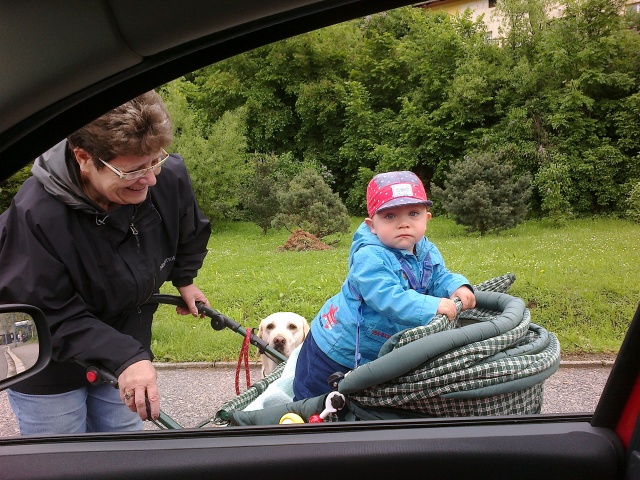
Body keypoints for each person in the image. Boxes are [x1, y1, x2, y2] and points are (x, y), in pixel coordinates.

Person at [0, 91, 212, 434]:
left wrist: (184, 279)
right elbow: (44, 310)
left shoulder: (167, 176)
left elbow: (190, 230)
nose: (151, 179)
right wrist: (126, 356)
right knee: (63, 460)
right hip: (50, 363)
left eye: (155, 161)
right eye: (133, 170)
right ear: (84, 158)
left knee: (123, 451)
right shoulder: (35, 214)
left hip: (127, 338)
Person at [293, 171, 476, 400]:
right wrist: (430, 306)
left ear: (426, 219)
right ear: (372, 225)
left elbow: (438, 276)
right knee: (313, 403)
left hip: (373, 352)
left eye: (413, 213)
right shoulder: (370, 256)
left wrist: (456, 286)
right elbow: (386, 297)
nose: (403, 224)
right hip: (335, 351)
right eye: (390, 216)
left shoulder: (425, 249)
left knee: (358, 404)